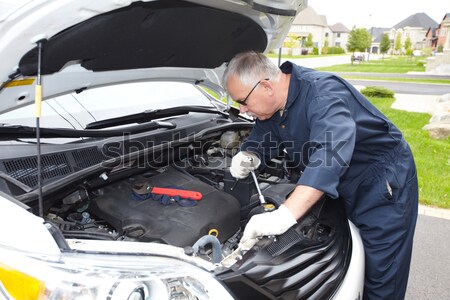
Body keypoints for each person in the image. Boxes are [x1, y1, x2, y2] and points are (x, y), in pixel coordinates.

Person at [223, 51, 418, 300]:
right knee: (352, 254)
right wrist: (250, 154)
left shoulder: (322, 94)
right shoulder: (274, 106)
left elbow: (330, 154)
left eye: (244, 101)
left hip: (380, 180)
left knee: (382, 269)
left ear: (266, 86)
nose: (243, 110)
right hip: (345, 180)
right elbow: (265, 135)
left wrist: (285, 214)